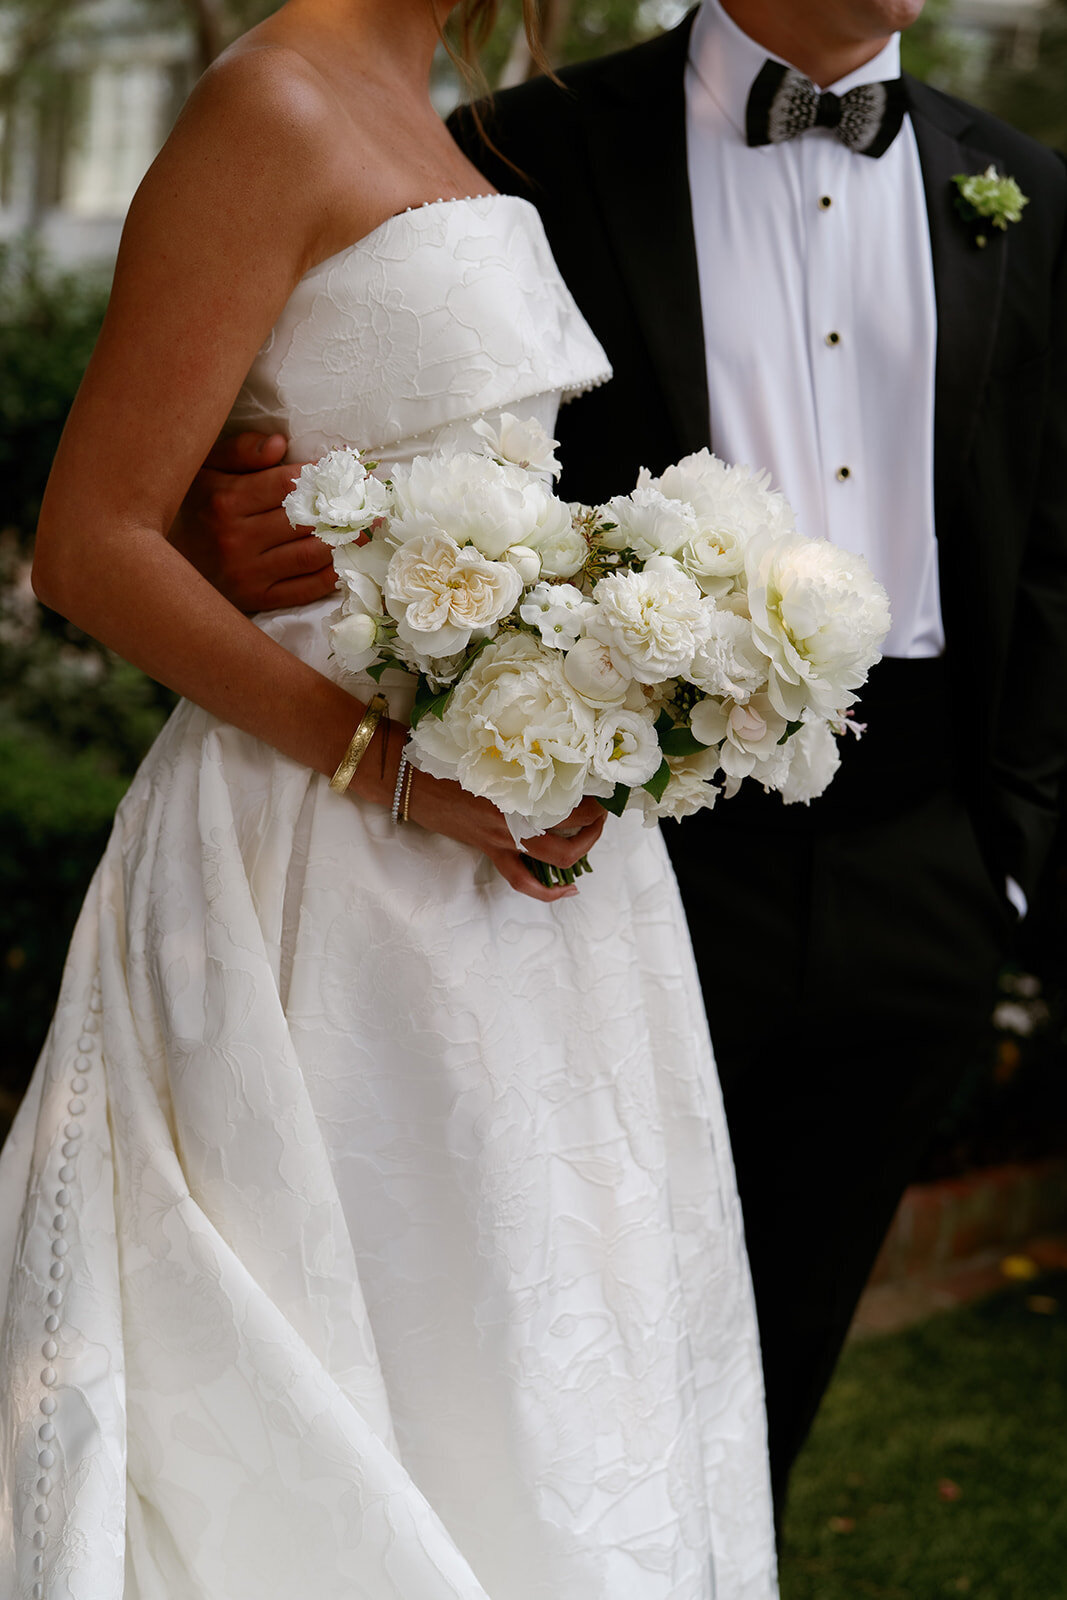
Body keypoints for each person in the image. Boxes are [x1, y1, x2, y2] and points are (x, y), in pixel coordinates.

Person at [184, 0, 1067, 1521]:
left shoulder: (1026, 189)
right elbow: (377, 407)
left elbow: (1046, 536)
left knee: (762, 1361)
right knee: (557, 1325)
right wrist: (236, 513)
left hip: (923, 866)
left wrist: (1012, 862)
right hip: (595, 844)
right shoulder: (522, 143)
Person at [0, 0, 780, 1594]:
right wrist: (400, 773)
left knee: (528, 1316)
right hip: (329, 846)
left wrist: (612, 677)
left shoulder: (436, 101)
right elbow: (90, 543)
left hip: (525, 852)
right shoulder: (272, 102)